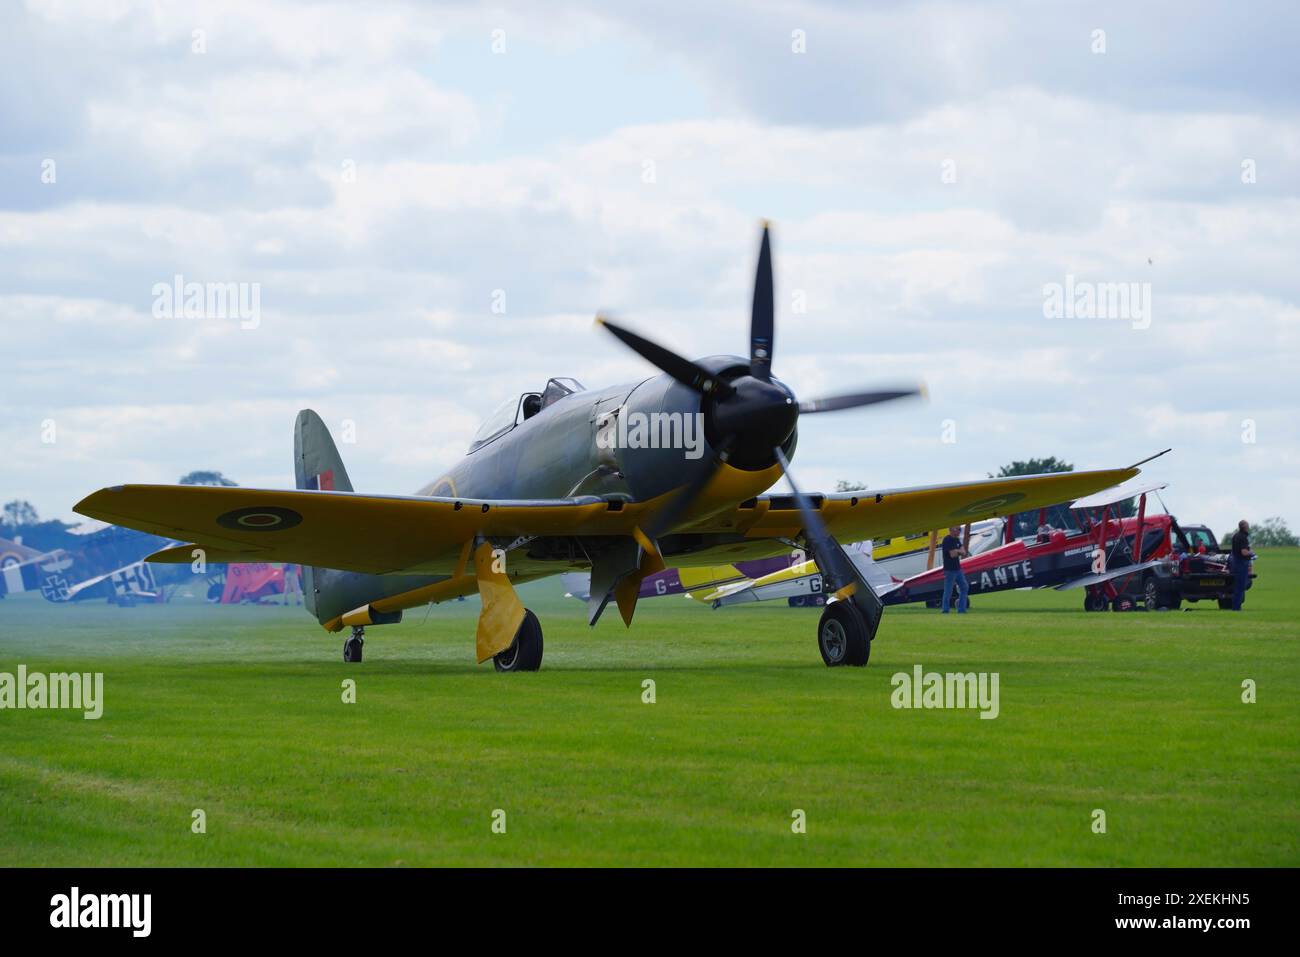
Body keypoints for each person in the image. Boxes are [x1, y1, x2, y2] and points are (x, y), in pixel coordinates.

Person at [940, 525, 970, 613]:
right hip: (950, 570)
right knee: (948, 590)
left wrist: (957, 551)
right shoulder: (947, 540)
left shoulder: (956, 540)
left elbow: (964, 552)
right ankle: (945, 609)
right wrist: (958, 551)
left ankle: (961, 609)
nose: (960, 531)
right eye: (958, 529)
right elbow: (952, 555)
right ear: (952, 530)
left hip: (958, 569)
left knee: (964, 587)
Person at [1229, 520, 1254, 611]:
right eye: (1248, 525)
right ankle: (1237, 608)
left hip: (1235, 562)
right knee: (1240, 586)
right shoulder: (1243, 537)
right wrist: (1251, 552)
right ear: (1245, 527)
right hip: (1241, 564)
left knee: (1237, 586)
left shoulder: (1235, 536)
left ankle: (1235, 606)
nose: (1249, 527)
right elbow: (1244, 552)